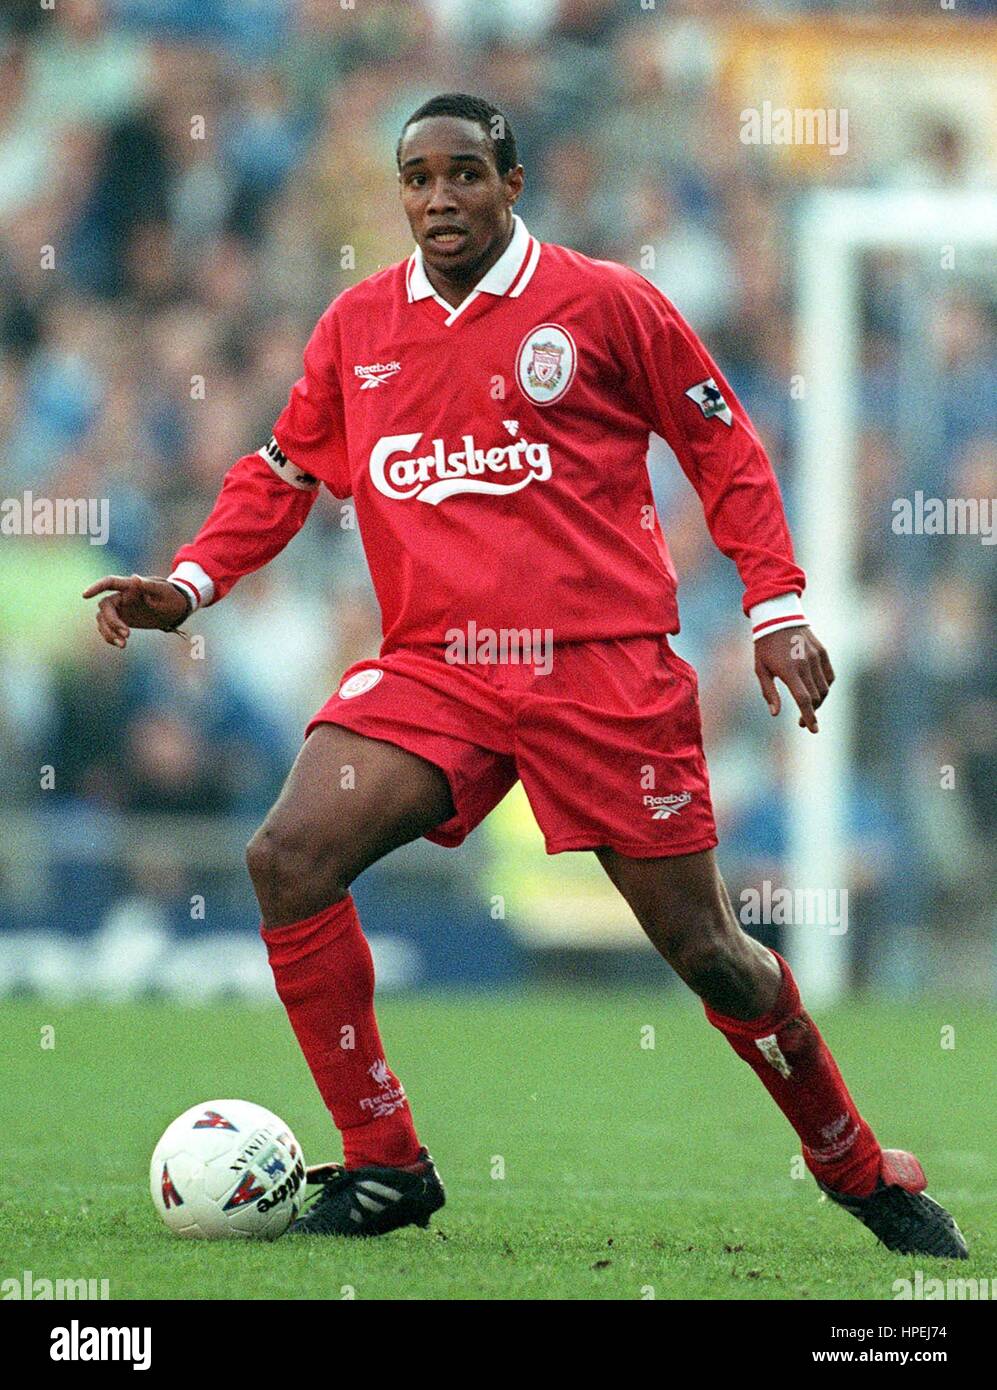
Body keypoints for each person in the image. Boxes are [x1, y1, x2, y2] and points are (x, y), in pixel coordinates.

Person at [84, 93, 966, 1257]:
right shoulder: (357, 327)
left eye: (462, 175)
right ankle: (388, 1158)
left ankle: (853, 1164)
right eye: (417, 179)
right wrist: (190, 585)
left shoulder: (606, 304)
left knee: (708, 951)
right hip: (437, 670)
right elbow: (284, 472)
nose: (438, 199)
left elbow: (723, 446)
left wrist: (776, 607)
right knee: (287, 855)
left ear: (511, 181)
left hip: (600, 672)